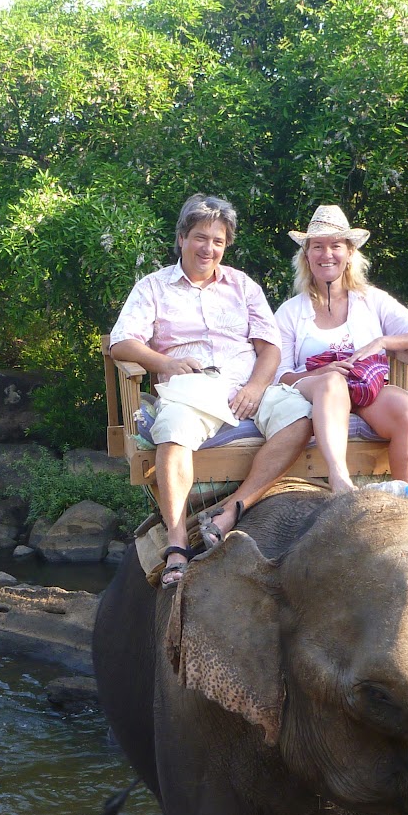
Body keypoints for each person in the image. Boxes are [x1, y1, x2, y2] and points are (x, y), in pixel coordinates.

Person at [109, 194, 312, 586]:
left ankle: (234, 508)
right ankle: (177, 543)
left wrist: (256, 387)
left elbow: (270, 347)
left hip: (247, 387)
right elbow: (121, 343)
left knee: (300, 417)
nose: (208, 248)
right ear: (182, 238)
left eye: (218, 241)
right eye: (200, 238)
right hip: (193, 388)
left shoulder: (243, 285)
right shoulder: (153, 287)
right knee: (173, 430)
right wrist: (164, 363)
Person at [274, 205, 408, 495]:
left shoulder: (371, 300)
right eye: (317, 246)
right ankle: (340, 480)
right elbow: (280, 375)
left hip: (366, 388)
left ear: (350, 252)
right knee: (332, 382)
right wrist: (321, 373)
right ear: (306, 255)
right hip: (315, 393)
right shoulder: (290, 312)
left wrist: (383, 342)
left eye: (336, 245)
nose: (326, 254)